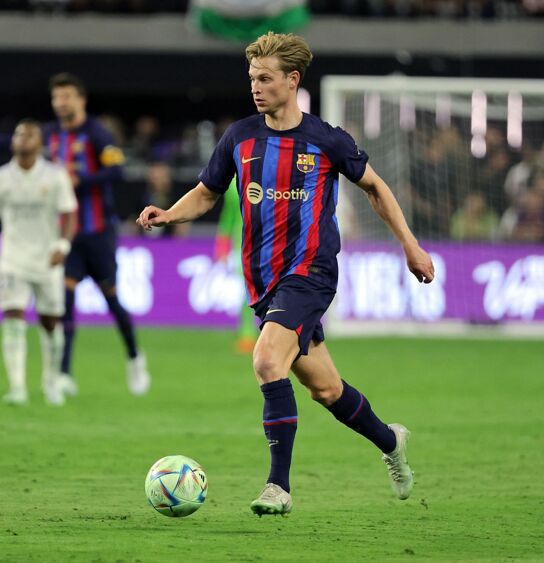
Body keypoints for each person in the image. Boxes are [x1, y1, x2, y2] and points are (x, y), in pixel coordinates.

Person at [138, 32, 435, 517]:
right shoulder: (240, 137)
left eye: (265, 78)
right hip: (264, 282)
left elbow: (375, 188)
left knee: (266, 361)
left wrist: (410, 245)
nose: (255, 87)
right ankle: (390, 441)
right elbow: (208, 192)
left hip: (311, 272)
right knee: (326, 389)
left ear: (292, 80)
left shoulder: (326, 139)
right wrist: (169, 213)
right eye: (252, 79)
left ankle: (278, 486)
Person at [0, 73, 151, 397]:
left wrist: (82, 179)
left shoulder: (97, 133)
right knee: (64, 301)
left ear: (81, 100)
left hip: (97, 230)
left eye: (67, 96)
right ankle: (64, 373)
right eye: (56, 97)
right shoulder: (50, 133)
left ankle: (134, 357)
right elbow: (10, 142)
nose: (60, 103)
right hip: (64, 233)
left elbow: (117, 169)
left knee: (111, 299)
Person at [0, 119, 78, 406]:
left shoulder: (55, 176)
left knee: (50, 323)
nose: (23, 139)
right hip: (12, 259)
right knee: (13, 319)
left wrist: (63, 245)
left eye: (30, 135)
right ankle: (17, 387)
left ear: (40, 143)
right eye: (19, 134)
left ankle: (51, 381)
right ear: (12, 142)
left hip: (47, 260)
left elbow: (70, 215)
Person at [215, 178, 258, 353]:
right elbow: (229, 216)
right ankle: (247, 333)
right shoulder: (233, 184)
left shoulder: (270, 174)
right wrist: (222, 246)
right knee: (247, 290)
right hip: (242, 244)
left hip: (269, 243)